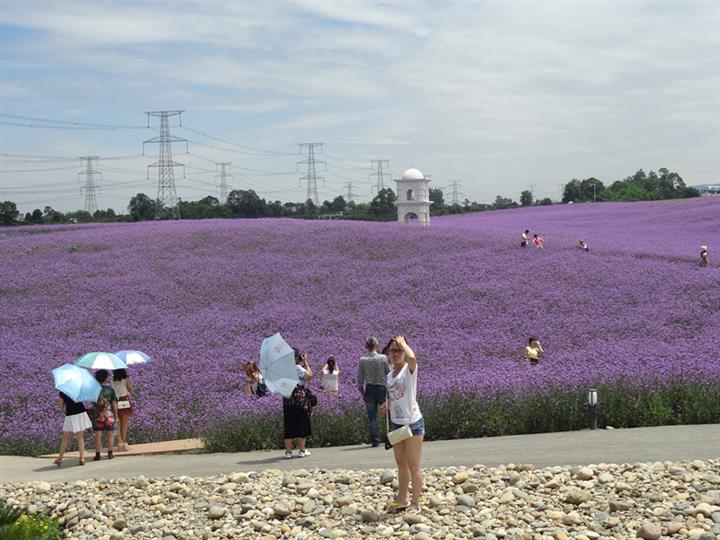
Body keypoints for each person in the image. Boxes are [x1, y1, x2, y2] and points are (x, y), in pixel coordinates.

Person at [379, 335, 424, 516]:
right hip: (396, 423)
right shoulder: (390, 375)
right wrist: (386, 406)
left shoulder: (408, 369)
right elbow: (393, 396)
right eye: (392, 351)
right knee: (401, 464)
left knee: (414, 465)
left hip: (412, 422)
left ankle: (415, 503)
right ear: (388, 354)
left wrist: (403, 343)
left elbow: (412, 358)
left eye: (399, 351)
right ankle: (402, 498)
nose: (396, 354)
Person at [357, 336, 390, 447]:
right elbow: (388, 373)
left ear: (367, 347)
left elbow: (360, 379)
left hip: (370, 389)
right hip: (382, 388)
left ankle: (376, 440)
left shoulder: (362, 360)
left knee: (372, 417)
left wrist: (362, 393)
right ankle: (390, 437)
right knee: (387, 414)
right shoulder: (383, 358)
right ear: (376, 345)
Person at [282, 348, 313, 459]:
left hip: (287, 399)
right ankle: (302, 450)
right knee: (301, 424)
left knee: (289, 425)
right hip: (298, 399)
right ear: (296, 357)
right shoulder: (297, 368)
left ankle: (288, 452)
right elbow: (309, 376)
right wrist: (305, 363)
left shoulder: (282, 369)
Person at [54, 392, 92, 466]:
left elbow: (60, 405)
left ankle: (60, 458)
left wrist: (61, 401)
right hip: (81, 412)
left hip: (71, 414)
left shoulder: (63, 391)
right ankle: (82, 458)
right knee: (80, 437)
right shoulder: (77, 388)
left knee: (65, 438)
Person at [91, 369, 118, 461]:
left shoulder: (93, 390)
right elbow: (114, 404)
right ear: (106, 378)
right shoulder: (110, 390)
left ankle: (97, 454)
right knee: (110, 434)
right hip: (109, 415)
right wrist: (116, 416)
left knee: (98, 434)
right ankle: (110, 453)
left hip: (97, 415)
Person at [112, 368, 133, 451]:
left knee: (119, 424)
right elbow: (130, 389)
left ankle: (119, 443)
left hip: (116, 402)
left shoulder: (112, 380)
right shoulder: (126, 379)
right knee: (124, 424)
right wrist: (129, 382)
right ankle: (123, 443)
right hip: (124, 401)